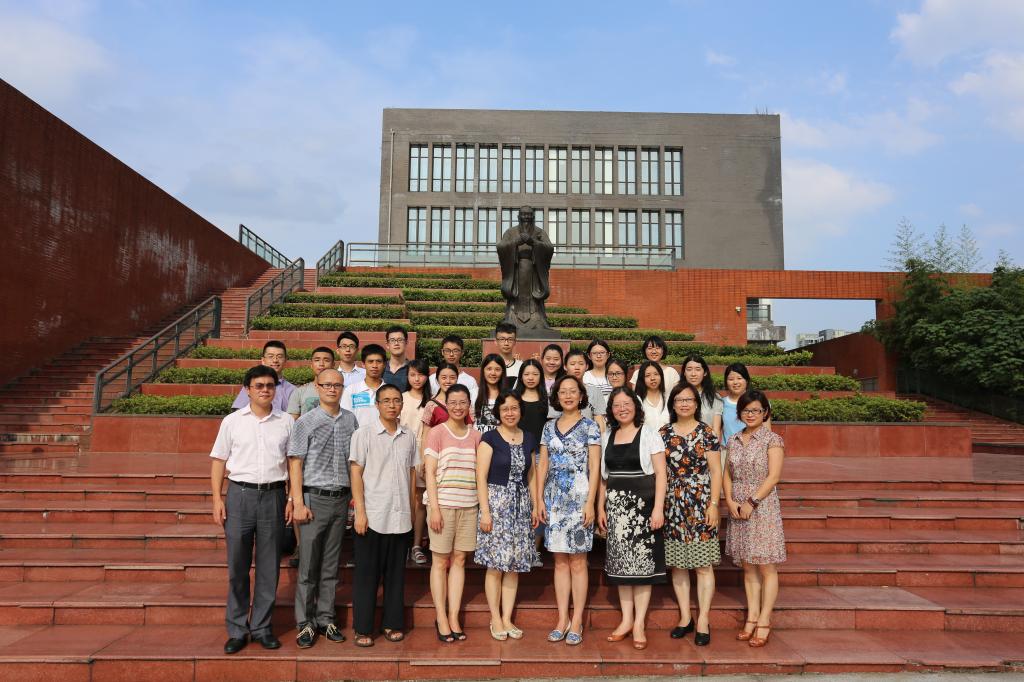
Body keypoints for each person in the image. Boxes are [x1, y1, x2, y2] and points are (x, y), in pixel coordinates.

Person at [210, 365, 293, 654]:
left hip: (274, 496)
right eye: (259, 385)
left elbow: (293, 462)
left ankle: (261, 627)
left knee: (269, 567)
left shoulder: (286, 421)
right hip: (239, 496)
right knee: (237, 566)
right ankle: (237, 629)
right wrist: (217, 499)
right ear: (247, 390)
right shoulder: (232, 421)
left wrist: (292, 498)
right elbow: (219, 461)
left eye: (270, 385)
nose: (265, 390)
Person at [287, 369, 358, 648]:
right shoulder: (306, 422)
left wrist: (353, 499)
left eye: (337, 385)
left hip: (340, 498)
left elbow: (353, 462)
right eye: (326, 384)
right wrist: (298, 502)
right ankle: (304, 623)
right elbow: (295, 463)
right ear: (317, 386)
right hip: (313, 499)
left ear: (343, 388)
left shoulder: (350, 419)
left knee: (331, 564)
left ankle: (326, 618)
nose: (332, 389)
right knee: (308, 566)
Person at [349, 383, 419, 647]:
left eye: (396, 400)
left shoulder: (409, 436)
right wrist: (360, 512)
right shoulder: (363, 434)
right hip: (373, 515)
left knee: (395, 576)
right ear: (377, 405)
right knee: (367, 576)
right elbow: (356, 472)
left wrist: (411, 510)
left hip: (400, 516)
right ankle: (363, 627)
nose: (392, 405)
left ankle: (392, 623)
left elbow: (411, 473)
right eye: (386, 400)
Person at [597, 387, 667, 650]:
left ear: (636, 407)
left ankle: (639, 624)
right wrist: (601, 507)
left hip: (643, 509)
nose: (622, 409)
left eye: (626, 404)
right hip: (616, 511)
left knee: (643, 567)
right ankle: (626, 620)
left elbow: (661, 474)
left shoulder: (649, 434)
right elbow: (604, 478)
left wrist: (658, 508)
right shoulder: (608, 435)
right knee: (621, 567)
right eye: (616, 405)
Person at [537, 375, 601, 646]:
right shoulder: (548, 427)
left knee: (578, 561)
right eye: (562, 392)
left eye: (573, 391)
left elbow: (595, 467)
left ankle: (577, 620)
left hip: (579, 500)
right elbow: (542, 465)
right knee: (560, 561)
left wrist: (591, 503)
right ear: (556, 397)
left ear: (581, 395)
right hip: (553, 500)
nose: (568, 396)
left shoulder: (590, 427)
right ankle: (562, 618)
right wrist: (539, 500)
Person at [660, 382, 722, 647]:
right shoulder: (663, 434)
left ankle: (703, 619)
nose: (684, 404)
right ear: (672, 405)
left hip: (701, 503)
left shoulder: (707, 433)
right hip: (672, 503)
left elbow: (716, 471)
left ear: (696, 403)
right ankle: (685, 617)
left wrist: (714, 504)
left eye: (688, 400)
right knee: (678, 564)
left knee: (703, 564)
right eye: (679, 400)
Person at [475, 391, 540, 640]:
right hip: (496, 505)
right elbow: (480, 476)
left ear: (520, 411)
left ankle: (507, 617)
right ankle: (495, 617)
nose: (510, 413)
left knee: (513, 565)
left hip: (520, 506)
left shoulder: (529, 438)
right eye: (505, 409)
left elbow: (531, 475)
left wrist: (535, 505)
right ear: (498, 413)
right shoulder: (489, 438)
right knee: (495, 565)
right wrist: (485, 512)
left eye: (514, 408)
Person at [724, 389, 786, 648]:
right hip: (738, 506)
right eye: (746, 410)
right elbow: (727, 474)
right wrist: (730, 501)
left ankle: (764, 620)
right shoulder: (734, 439)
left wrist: (752, 502)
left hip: (762, 506)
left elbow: (774, 476)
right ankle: (751, 617)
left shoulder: (773, 440)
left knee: (766, 565)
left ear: (765, 413)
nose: (750, 415)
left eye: (756, 410)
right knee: (748, 565)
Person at [423, 384, 482, 642]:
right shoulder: (437, 432)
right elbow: (429, 472)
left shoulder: (476, 436)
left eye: (463, 402)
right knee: (439, 562)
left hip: (469, 505)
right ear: (446, 405)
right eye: (453, 402)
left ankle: (454, 615)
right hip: (443, 506)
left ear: (470, 405)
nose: (458, 407)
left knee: (459, 560)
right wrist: (434, 508)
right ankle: (441, 616)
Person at [497, 205, 556, 335]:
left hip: (534, 272)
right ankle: (511, 319)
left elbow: (549, 248)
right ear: (518, 217)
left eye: (529, 215)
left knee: (534, 299)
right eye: (523, 214)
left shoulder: (539, 232)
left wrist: (533, 242)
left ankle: (538, 321)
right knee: (515, 298)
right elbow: (501, 247)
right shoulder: (511, 232)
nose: (526, 217)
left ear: (533, 217)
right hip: (516, 271)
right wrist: (515, 242)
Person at [400, 358, 431, 566]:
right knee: (403, 498)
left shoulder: (431, 401)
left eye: (420, 374)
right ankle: (401, 543)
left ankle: (416, 545)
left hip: (423, 453)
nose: (417, 379)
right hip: (401, 449)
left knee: (420, 501)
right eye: (412, 374)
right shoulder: (401, 398)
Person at [232, 341, 295, 412]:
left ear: (285, 360)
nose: (275, 360)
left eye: (279, 357)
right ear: (263, 360)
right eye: (270, 356)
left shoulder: (292, 390)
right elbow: (239, 411)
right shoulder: (252, 385)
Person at [341, 344, 386, 427]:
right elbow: (345, 420)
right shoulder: (351, 390)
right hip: (357, 435)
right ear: (363, 364)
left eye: (379, 361)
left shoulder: (390, 392)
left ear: (384, 364)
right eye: (370, 361)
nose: (374, 366)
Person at [682, 355, 724, 441]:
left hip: (706, 445)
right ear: (684, 373)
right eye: (689, 369)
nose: (693, 374)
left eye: (698, 369)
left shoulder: (714, 398)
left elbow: (716, 430)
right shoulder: (677, 396)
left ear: (705, 373)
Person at [563, 349, 607, 431]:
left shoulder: (595, 392)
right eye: (572, 364)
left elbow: (600, 422)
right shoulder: (558, 391)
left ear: (586, 366)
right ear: (565, 366)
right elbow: (553, 422)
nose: (577, 368)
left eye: (581, 364)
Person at [287, 347, 336, 418]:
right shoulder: (299, 392)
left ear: (333, 365)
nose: (321, 364)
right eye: (317, 360)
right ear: (311, 365)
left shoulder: (341, 391)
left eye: (326, 360)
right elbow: (292, 420)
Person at [513, 359, 548, 445]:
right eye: (526, 374)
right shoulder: (513, 398)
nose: (531, 378)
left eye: (535, 374)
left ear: (541, 376)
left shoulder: (547, 398)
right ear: (521, 377)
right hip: (517, 446)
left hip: (541, 447)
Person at [474, 354, 507, 434]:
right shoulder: (473, 393)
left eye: (497, 369)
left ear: (502, 372)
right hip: (478, 440)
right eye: (489, 369)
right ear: (483, 370)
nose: (493, 373)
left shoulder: (508, 396)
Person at [635, 361, 670, 430]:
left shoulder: (669, 398)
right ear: (642, 378)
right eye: (648, 375)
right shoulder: (636, 400)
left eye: (656, 374)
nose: (652, 378)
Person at [382, 325, 410, 392]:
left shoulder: (413, 368)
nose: (396, 343)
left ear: (406, 343)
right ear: (387, 345)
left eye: (400, 340)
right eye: (392, 340)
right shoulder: (381, 368)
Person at [494, 322, 522, 388]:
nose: (506, 343)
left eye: (510, 339)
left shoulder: (521, 366)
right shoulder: (490, 366)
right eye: (502, 339)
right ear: (496, 342)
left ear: (515, 342)